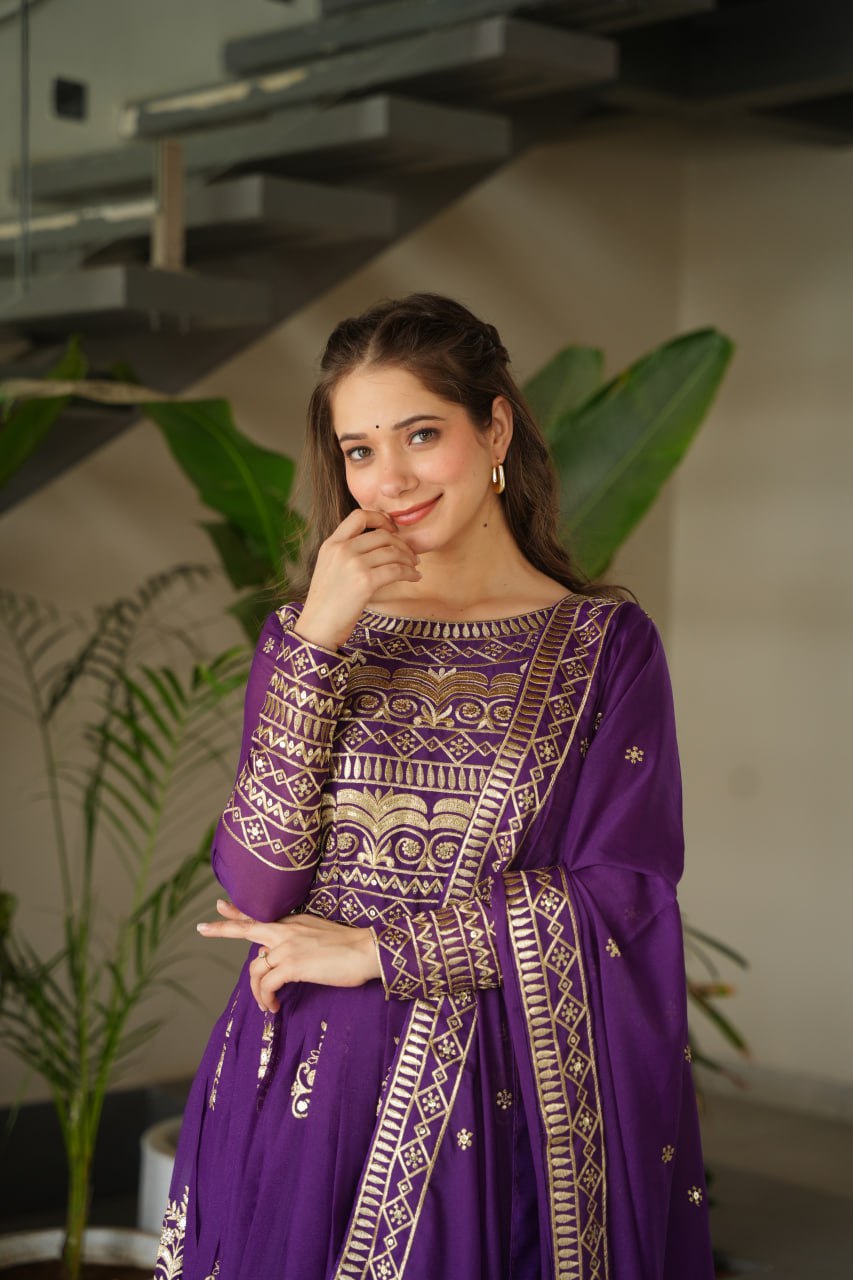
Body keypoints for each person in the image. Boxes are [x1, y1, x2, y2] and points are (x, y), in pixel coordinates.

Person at [153, 293, 715, 1280]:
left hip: (490, 1093)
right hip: (297, 1077)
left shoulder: (602, 646)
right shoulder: (312, 633)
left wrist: (382, 948)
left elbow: (624, 888)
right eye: (360, 449)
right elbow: (259, 886)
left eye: (421, 433)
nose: (391, 477)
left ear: (493, 426)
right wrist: (317, 642)